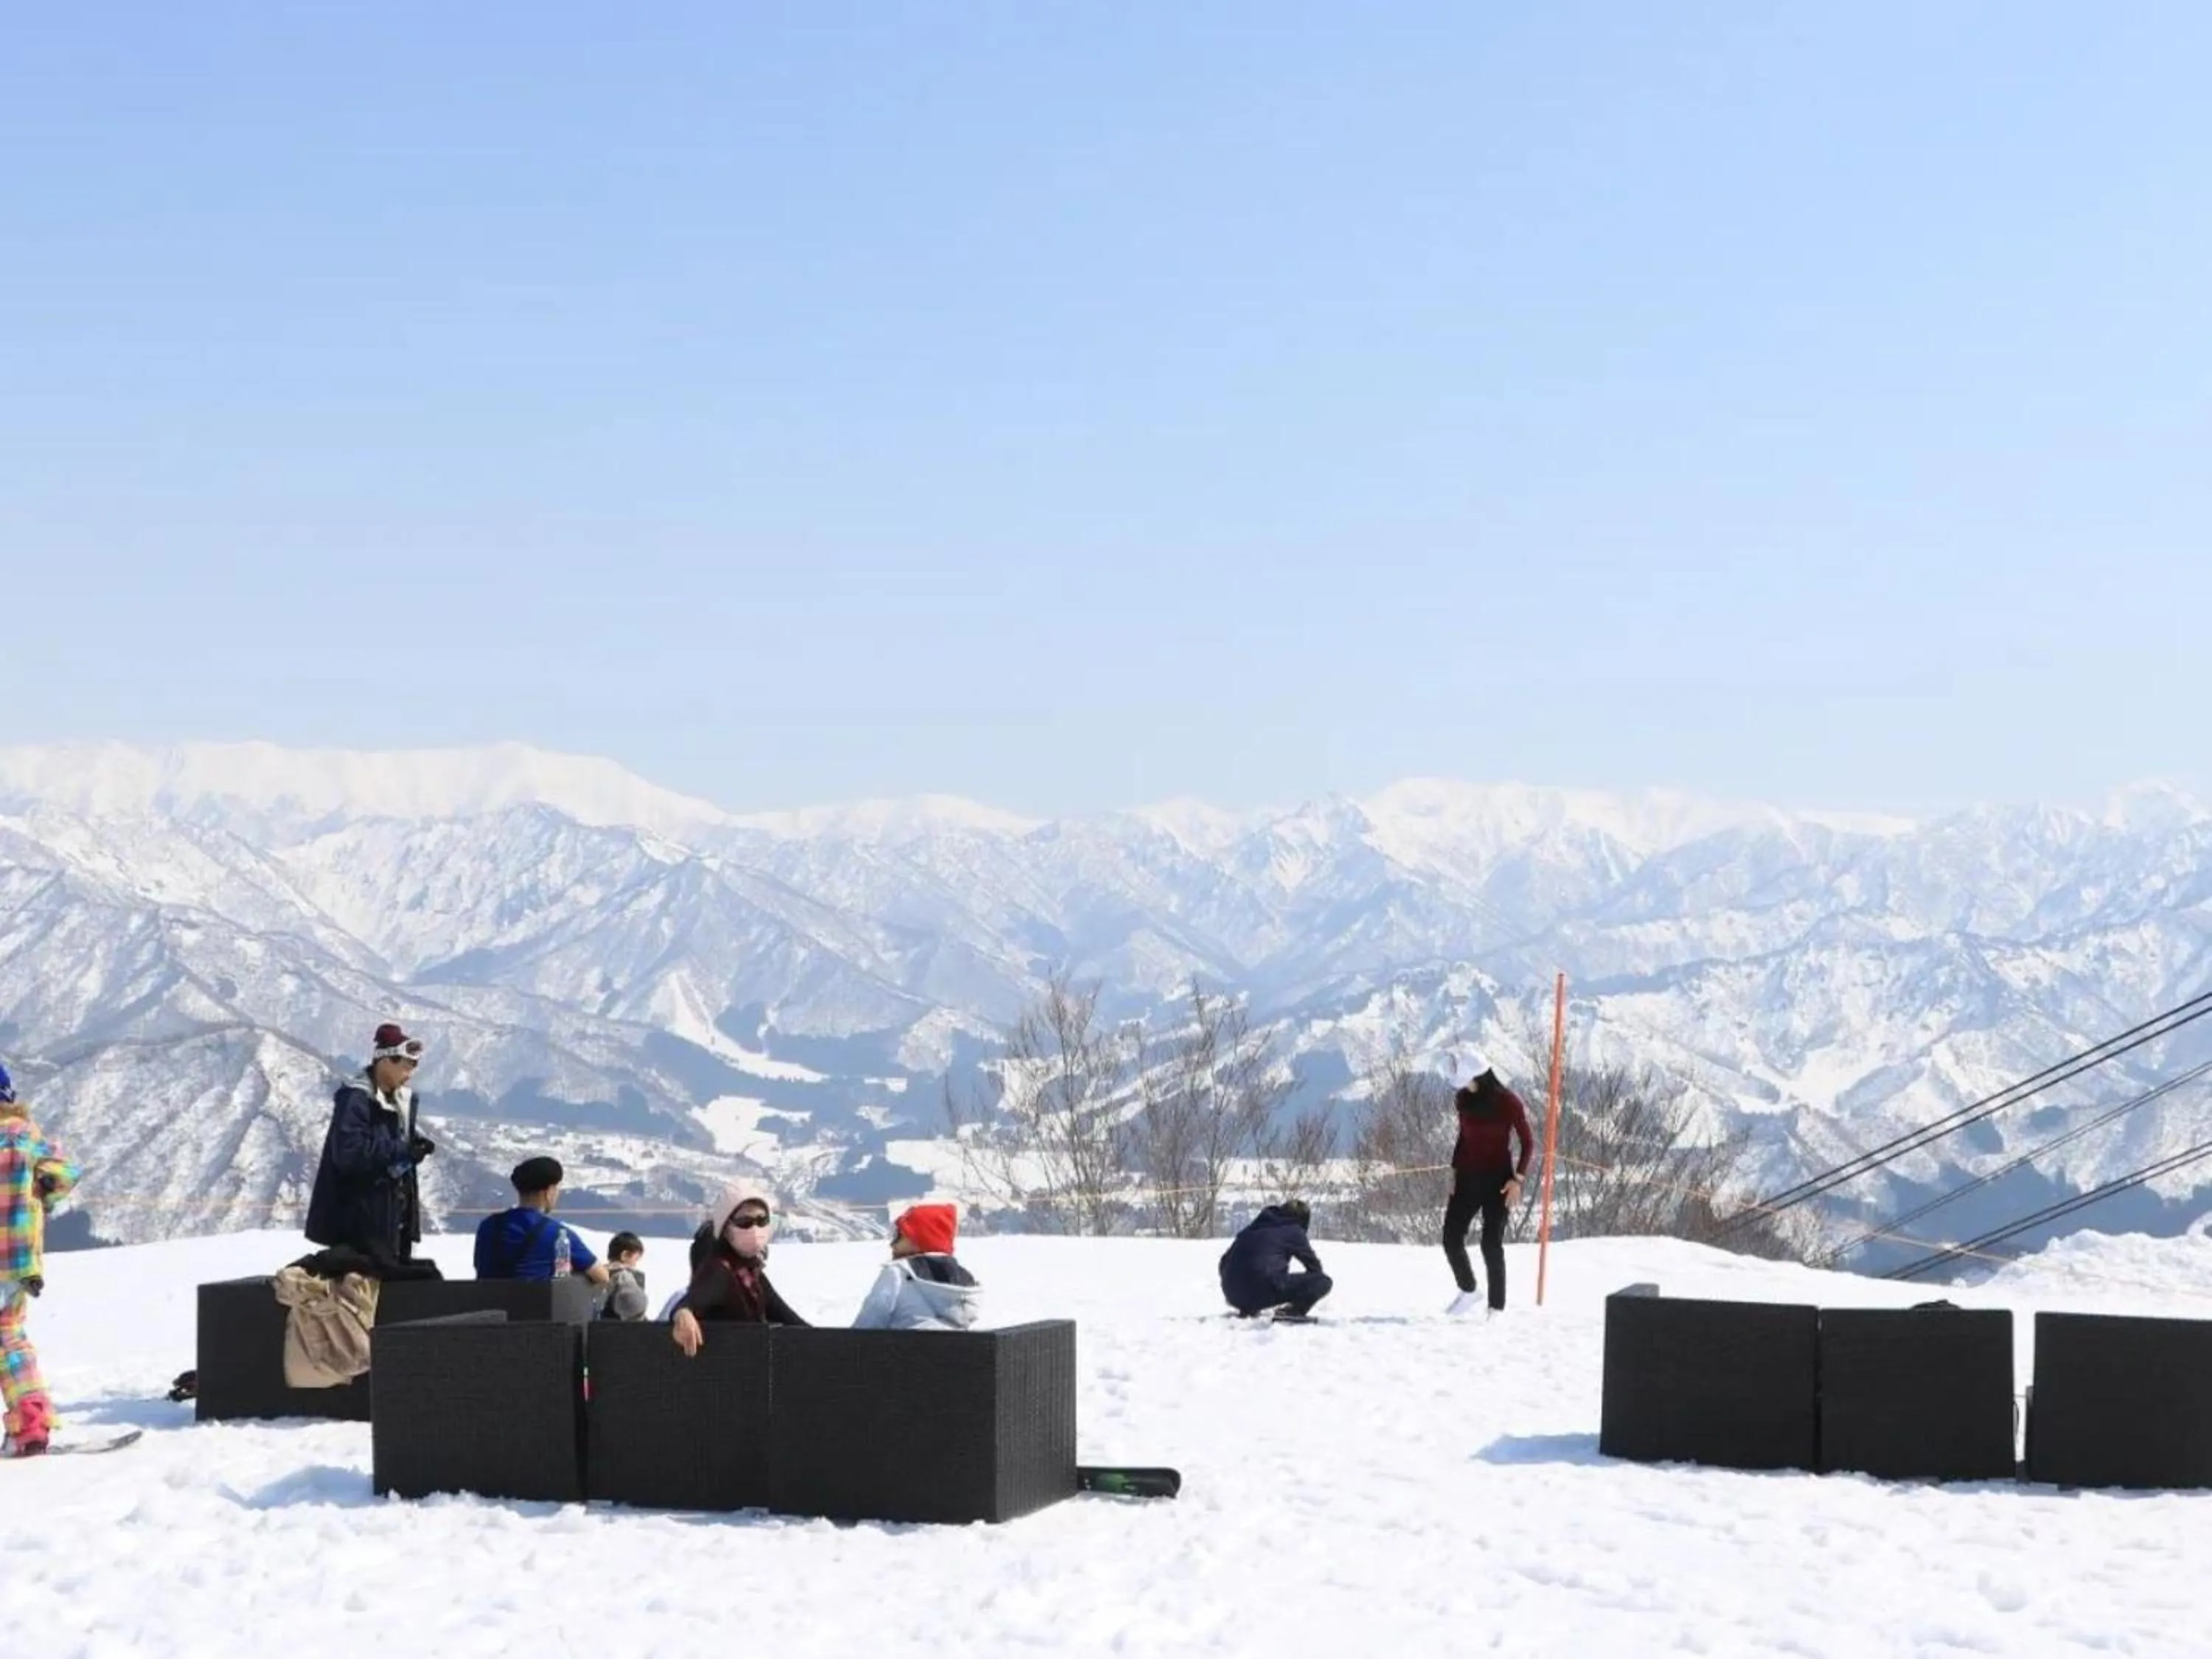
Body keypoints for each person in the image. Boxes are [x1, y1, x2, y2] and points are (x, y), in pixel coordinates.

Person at [304, 1023, 436, 1263]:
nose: (410, 1074)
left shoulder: (398, 1100)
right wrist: (402, 1148)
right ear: (386, 1062)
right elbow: (350, 1154)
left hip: (392, 1217)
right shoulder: (357, 1099)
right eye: (407, 1066)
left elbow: (389, 1142)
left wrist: (415, 1147)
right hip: (359, 1223)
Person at [1, 1062, 79, 1458]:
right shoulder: (25, 1136)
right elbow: (65, 1174)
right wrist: (43, 1191)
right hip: (16, 1265)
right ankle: (31, 1421)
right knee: (10, 1339)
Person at [1441, 1051, 1534, 1316]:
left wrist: (1518, 1178)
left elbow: (1528, 1143)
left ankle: (1497, 1308)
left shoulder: (1508, 1102)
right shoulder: (1462, 1099)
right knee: (1451, 1238)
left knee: (1490, 1244)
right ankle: (1468, 1290)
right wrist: (1453, 1172)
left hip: (1499, 1182)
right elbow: (1463, 1139)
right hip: (1467, 1178)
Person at [670, 1183, 809, 1354]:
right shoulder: (721, 1270)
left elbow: (787, 1316)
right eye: (745, 1222)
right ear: (726, 1230)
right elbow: (692, 1301)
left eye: (762, 1220)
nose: (755, 1229)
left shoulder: (752, 1274)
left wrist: (826, 1340)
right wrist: (683, 1314)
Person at [473, 1155, 611, 1289]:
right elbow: (602, 1277)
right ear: (549, 1192)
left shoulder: (488, 1225)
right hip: (534, 1310)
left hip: (487, 1309)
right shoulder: (557, 1233)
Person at [851, 1203, 980, 1331]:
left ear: (920, 1238)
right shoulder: (966, 1283)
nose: (892, 1245)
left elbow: (865, 1328)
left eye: (899, 1236)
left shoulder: (898, 1273)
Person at [1217, 1197, 1332, 1321]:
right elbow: (1314, 1267)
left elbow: (1224, 1263)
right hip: (1260, 1290)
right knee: (1323, 1281)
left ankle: (1249, 1306)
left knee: (1259, 1277)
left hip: (1232, 1294)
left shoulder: (1251, 1229)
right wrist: (1301, 1295)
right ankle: (1293, 1312)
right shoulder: (1294, 1230)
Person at [601, 1231, 650, 1321]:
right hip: (621, 1330)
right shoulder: (623, 1276)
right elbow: (634, 1305)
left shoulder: (598, 1275)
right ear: (625, 1255)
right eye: (636, 1260)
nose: (635, 1265)